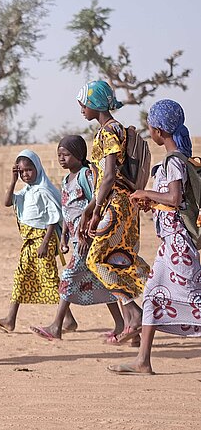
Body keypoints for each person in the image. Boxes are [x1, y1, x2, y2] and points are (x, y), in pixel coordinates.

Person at [109, 99, 201, 374]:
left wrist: (146, 193)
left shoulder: (174, 162)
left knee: (193, 298)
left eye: (151, 125)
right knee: (152, 298)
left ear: (159, 130)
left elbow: (174, 198)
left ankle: (142, 361)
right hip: (170, 243)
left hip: (177, 243)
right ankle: (143, 361)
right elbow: (174, 200)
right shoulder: (176, 161)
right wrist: (152, 203)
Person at [29, 136, 124, 341]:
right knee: (101, 279)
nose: (62, 159)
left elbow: (96, 201)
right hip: (74, 238)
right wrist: (63, 236)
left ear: (79, 156)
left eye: (66, 155)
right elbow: (66, 211)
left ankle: (57, 326)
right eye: (59, 155)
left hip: (87, 239)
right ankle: (121, 323)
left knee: (69, 276)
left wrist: (89, 233)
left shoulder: (85, 175)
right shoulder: (65, 180)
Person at [77, 81, 150, 344]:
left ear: (95, 103)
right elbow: (108, 180)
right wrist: (89, 209)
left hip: (115, 205)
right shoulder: (118, 129)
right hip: (125, 204)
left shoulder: (107, 132)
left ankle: (135, 311)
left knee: (95, 260)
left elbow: (108, 177)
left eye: (83, 102)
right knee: (122, 257)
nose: (81, 108)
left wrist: (96, 212)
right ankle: (138, 318)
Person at [0, 149, 76, 333]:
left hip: (43, 242)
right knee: (21, 277)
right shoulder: (26, 192)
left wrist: (44, 243)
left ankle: (68, 320)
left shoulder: (43, 190)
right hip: (28, 243)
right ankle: (10, 319)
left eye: (28, 170)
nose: (25, 174)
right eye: (21, 171)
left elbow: (53, 217)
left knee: (50, 279)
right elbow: (7, 202)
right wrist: (12, 181)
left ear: (37, 169)